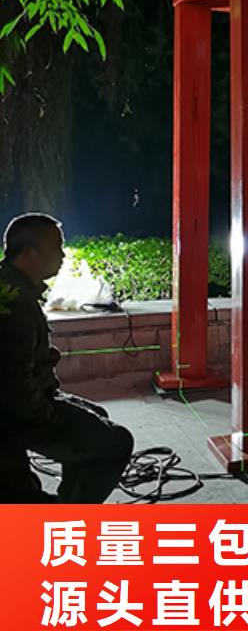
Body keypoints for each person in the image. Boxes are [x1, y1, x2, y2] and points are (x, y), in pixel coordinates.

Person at [0, 213, 134, 503]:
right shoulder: (14, 304)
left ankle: (68, 502)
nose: (63, 255)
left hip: (28, 399)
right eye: (56, 248)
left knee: (98, 417)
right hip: (17, 414)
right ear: (29, 253)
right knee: (115, 442)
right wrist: (49, 419)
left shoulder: (12, 285)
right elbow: (14, 385)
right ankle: (70, 513)